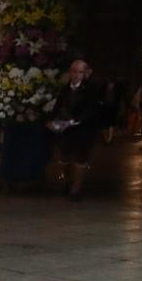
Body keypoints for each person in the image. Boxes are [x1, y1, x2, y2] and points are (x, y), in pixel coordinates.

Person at [49, 58, 107, 201]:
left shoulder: (90, 89)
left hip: (83, 129)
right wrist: (51, 120)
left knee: (81, 158)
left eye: (80, 72)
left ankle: (76, 189)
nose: (76, 75)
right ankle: (66, 182)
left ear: (85, 73)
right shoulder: (64, 89)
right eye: (74, 72)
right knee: (63, 157)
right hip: (66, 129)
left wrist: (76, 120)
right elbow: (57, 106)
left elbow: (92, 109)